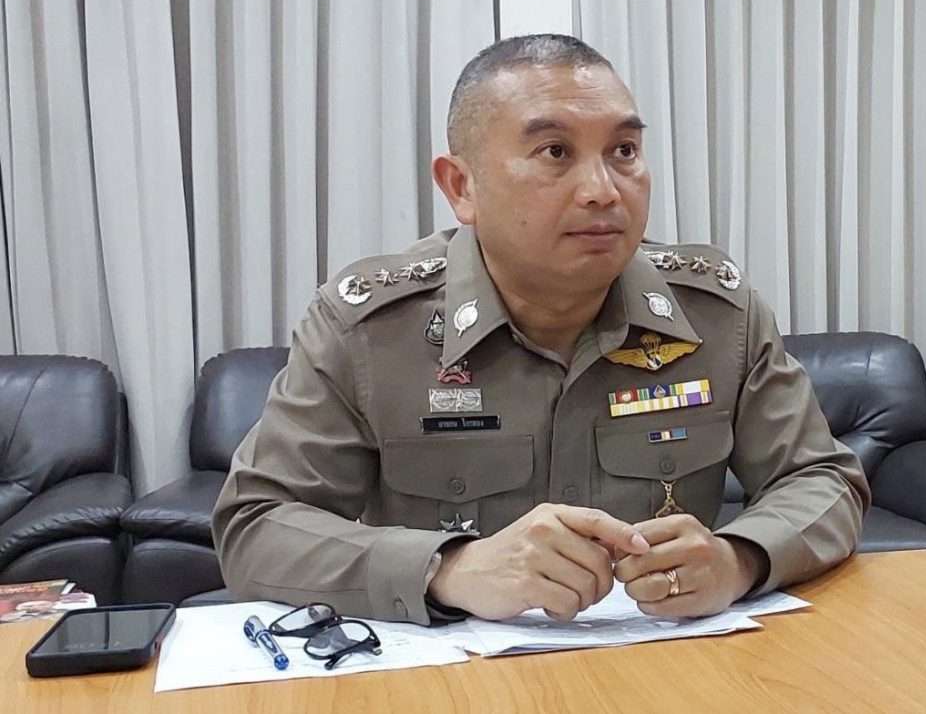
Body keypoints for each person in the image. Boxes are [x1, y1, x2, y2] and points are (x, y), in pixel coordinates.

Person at [212, 34, 870, 626]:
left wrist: (741, 558)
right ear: (462, 186)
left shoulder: (717, 316)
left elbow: (824, 480)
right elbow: (255, 526)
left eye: (624, 151)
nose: (603, 190)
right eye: (556, 152)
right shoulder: (369, 330)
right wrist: (447, 569)